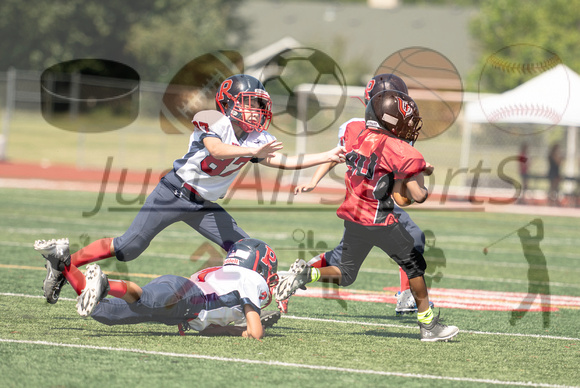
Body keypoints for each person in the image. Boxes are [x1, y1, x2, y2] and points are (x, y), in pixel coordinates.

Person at [40, 74, 345, 305]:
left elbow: (285, 160)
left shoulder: (255, 137)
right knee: (127, 248)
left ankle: (247, 304)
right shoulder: (212, 119)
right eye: (249, 104)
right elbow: (217, 150)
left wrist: (328, 155)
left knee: (248, 249)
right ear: (228, 103)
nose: (256, 111)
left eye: (259, 105)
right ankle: (65, 263)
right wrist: (252, 154)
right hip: (173, 193)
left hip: (205, 206)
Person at [276, 90, 459, 342]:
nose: (408, 125)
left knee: (347, 273)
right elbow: (417, 196)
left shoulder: (356, 133)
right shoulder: (401, 149)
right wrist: (420, 175)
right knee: (414, 267)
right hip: (379, 219)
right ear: (391, 119)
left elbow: (357, 159)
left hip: (353, 217)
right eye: (404, 119)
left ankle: (310, 274)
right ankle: (429, 325)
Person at [286, 74, 427, 316]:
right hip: (374, 204)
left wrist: (313, 181)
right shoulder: (367, 131)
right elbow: (338, 156)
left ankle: (306, 270)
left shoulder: (361, 128)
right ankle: (410, 300)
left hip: (361, 204)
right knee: (412, 239)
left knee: (346, 263)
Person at [34, 237, 281, 339]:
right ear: (258, 265)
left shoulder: (226, 274)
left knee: (105, 313)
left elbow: (209, 326)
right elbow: (256, 332)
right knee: (147, 299)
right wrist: (251, 327)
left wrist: (236, 331)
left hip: (183, 300)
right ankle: (106, 284)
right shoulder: (250, 278)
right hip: (187, 298)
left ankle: (62, 262)